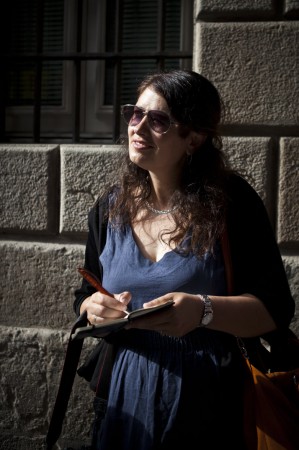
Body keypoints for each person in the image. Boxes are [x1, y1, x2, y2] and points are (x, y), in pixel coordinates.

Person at [74, 69, 295, 450]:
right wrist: (93, 309)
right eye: (135, 113)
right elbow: (84, 293)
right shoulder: (109, 207)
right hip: (124, 394)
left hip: (210, 399)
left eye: (158, 120)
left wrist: (202, 310)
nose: (138, 127)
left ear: (193, 138)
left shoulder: (231, 203)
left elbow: (275, 309)